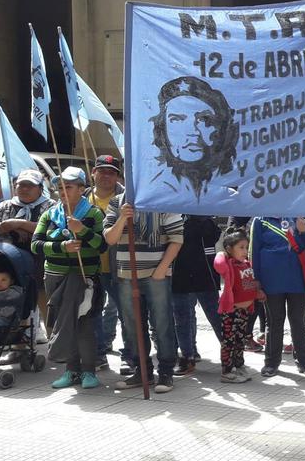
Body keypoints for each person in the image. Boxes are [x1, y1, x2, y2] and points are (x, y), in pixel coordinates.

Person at [31, 167, 106, 390]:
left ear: (82, 189)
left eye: (69, 186)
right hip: (54, 277)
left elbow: (101, 245)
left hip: (84, 277)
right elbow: (36, 245)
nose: (63, 191)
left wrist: (81, 230)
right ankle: (71, 371)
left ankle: (89, 372)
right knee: (64, 324)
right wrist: (62, 247)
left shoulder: (93, 214)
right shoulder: (49, 214)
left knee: (84, 324)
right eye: (60, 186)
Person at [104, 194, 184, 393]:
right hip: (126, 274)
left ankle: (166, 371)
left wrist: (161, 269)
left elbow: (177, 239)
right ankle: (143, 370)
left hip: (157, 273)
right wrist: (123, 217)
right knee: (131, 325)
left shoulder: (164, 201)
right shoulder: (116, 203)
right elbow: (110, 238)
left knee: (162, 322)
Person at [0, 169, 54, 348]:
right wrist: (6, 226)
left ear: (39, 188)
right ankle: (18, 343)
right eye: (21, 185)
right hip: (11, 261)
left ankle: (55, 341)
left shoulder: (50, 205)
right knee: (17, 301)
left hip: (42, 259)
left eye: (30, 185)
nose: (24, 189)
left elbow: (53, 228)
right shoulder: (6, 206)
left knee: (46, 301)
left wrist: (20, 224)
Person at [250, 215, 305, 377]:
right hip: (271, 279)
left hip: (299, 278)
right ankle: (271, 362)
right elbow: (254, 251)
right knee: (274, 320)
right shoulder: (261, 220)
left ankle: (304, 361)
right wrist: (256, 280)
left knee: (298, 319)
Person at [150, 76, 240, 200]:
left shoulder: (236, 190)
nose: (193, 132)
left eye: (204, 119)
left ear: (221, 128)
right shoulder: (153, 191)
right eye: (177, 119)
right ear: (162, 129)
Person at [85, 155, 124, 372]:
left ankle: (130, 356)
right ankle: (99, 354)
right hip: (90, 267)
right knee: (92, 313)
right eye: (102, 171)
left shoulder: (127, 198)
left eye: (111, 172)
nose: (106, 176)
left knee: (127, 313)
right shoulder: (82, 199)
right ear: (93, 172)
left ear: (118, 175)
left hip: (118, 267)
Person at [171, 215, 223, 376]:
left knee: (217, 317)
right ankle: (188, 357)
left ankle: (232, 355)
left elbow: (212, 238)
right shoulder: (173, 217)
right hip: (180, 275)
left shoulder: (206, 220)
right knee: (182, 319)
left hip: (204, 276)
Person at [215, 227, 264, 383]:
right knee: (228, 342)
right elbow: (218, 263)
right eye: (240, 248)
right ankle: (226, 371)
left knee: (240, 340)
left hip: (244, 312)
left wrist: (258, 292)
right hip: (231, 312)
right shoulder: (228, 264)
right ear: (229, 249)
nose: (244, 251)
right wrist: (222, 252)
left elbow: (249, 284)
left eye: (246, 247)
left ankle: (239, 365)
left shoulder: (246, 264)